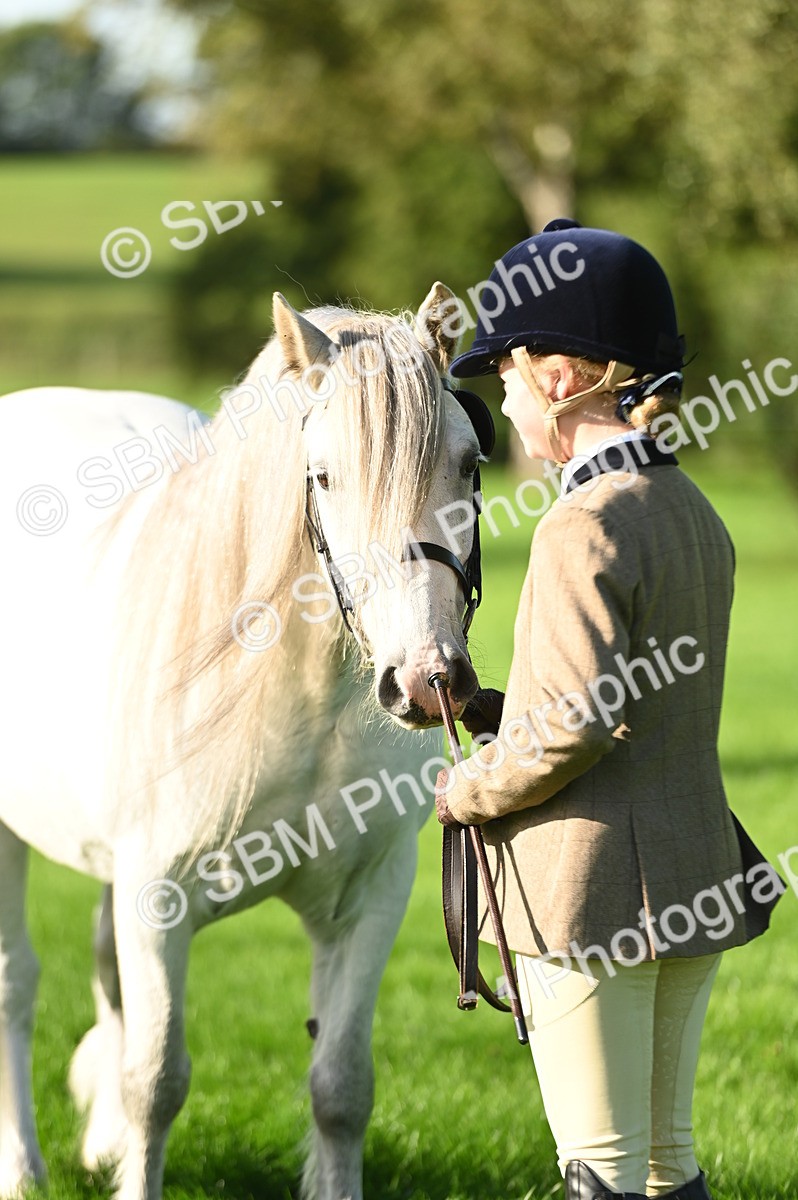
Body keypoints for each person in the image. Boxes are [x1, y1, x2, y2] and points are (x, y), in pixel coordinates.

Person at [435, 220, 784, 1200]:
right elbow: (631, 701)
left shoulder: (580, 525)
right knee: (669, 1163)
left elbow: (575, 729)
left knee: (601, 1172)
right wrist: (488, 704)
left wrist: (471, 786)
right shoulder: (690, 511)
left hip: (589, 894)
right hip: (691, 870)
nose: (500, 396)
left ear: (559, 379)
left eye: (505, 374)